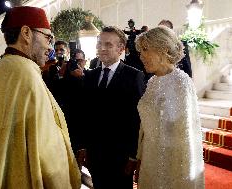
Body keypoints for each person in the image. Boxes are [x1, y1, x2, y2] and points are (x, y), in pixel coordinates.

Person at [0, 6, 81, 189]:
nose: (50, 46)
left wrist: (0, 171)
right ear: (26, 32)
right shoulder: (26, 76)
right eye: (47, 37)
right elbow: (49, 158)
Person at [135, 26, 204, 188]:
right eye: (140, 51)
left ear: (163, 49)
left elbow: (185, 137)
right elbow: (144, 127)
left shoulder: (182, 82)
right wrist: (140, 158)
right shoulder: (152, 81)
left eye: (146, 50)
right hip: (150, 159)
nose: (141, 56)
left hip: (172, 165)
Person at [77, 26, 145, 189]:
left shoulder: (135, 76)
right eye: (100, 44)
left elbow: (137, 119)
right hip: (94, 154)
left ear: (121, 48)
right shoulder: (89, 76)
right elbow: (84, 113)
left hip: (121, 157)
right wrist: (83, 145)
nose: (102, 48)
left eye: (108, 44)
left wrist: (133, 155)